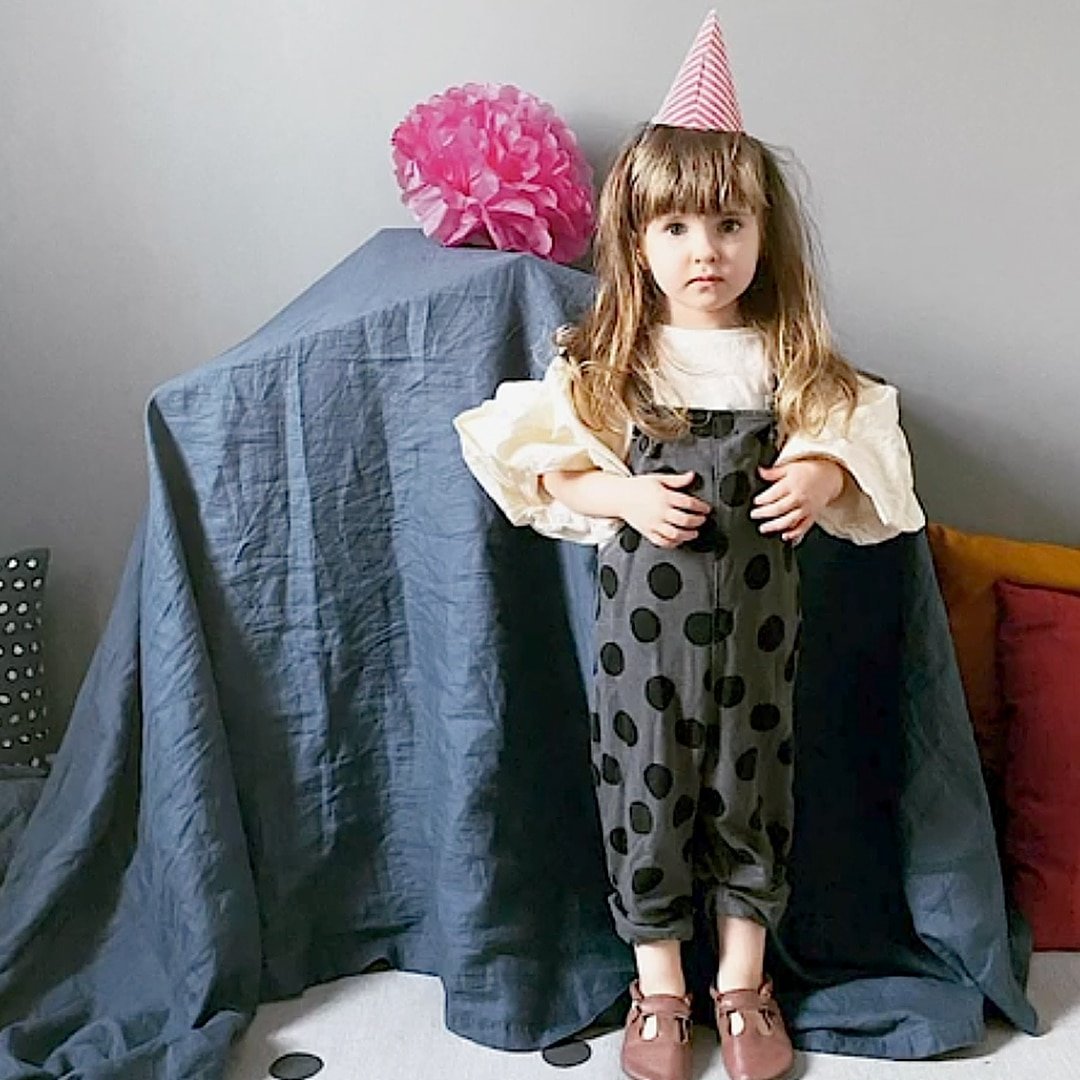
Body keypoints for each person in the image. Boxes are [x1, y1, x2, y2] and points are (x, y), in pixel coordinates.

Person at [454, 11, 924, 1080]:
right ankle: (659, 986)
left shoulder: (789, 357)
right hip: (642, 648)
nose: (703, 251)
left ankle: (743, 983)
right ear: (636, 239)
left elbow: (859, 438)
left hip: (761, 637)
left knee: (751, 788)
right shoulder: (610, 360)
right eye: (674, 228)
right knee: (645, 790)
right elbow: (536, 461)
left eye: (725, 225)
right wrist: (620, 490)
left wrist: (818, 471)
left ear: (763, 235)